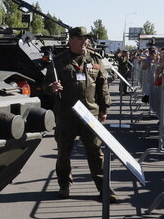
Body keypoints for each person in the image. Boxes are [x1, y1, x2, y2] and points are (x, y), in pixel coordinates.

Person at [45, 26, 117, 202]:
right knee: (63, 153)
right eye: (80, 38)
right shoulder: (58, 61)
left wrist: (104, 108)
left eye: (86, 39)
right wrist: (52, 87)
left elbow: (103, 85)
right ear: (71, 40)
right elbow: (45, 86)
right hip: (66, 114)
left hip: (89, 114)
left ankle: (104, 189)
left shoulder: (95, 59)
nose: (85, 42)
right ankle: (64, 184)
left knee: (96, 152)